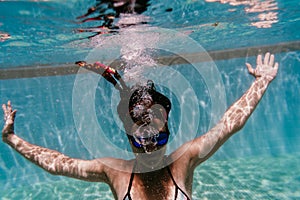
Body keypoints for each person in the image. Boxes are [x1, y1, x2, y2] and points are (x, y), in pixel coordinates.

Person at [2, 52, 278, 199]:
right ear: (127, 134)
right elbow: (58, 163)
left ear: (169, 131)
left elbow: (229, 125)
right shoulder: (115, 171)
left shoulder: (183, 160)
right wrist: (12, 139)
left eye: (157, 138)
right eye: (143, 138)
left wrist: (260, 82)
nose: (151, 147)